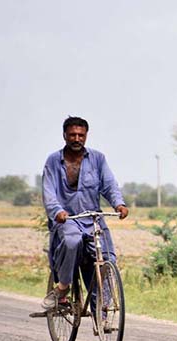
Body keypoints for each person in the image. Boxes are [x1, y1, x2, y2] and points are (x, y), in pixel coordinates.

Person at [40, 116, 129, 310]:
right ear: (65, 136)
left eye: (81, 135)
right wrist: (57, 211)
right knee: (72, 242)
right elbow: (48, 193)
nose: (77, 139)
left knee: (107, 259)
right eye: (72, 135)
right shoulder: (54, 161)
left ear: (86, 136)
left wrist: (118, 204)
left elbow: (109, 185)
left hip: (92, 218)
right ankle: (63, 287)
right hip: (67, 219)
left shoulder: (97, 159)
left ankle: (102, 308)